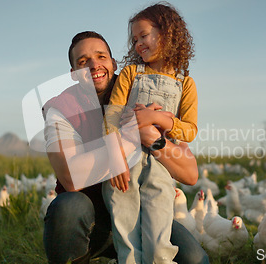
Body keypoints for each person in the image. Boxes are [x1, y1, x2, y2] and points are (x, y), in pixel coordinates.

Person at [42, 31, 209, 264]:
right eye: (83, 62)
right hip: (92, 220)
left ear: (114, 63)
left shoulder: (141, 90)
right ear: (73, 74)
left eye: (101, 57)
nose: (94, 65)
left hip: (143, 211)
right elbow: (71, 177)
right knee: (68, 207)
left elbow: (189, 173)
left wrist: (152, 136)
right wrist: (131, 136)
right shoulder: (60, 108)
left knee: (195, 260)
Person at [102, 3, 198, 263]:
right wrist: (114, 157)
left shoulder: (185, 83)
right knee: (128, 244)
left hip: (161, 167)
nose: (137, 44)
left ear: (166, 34)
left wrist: (158, 118)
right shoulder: (132, 74)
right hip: (124, 162)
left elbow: (190, 130)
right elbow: (112, 115)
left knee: (158, 244)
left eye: (143, 36)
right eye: (134, 40)